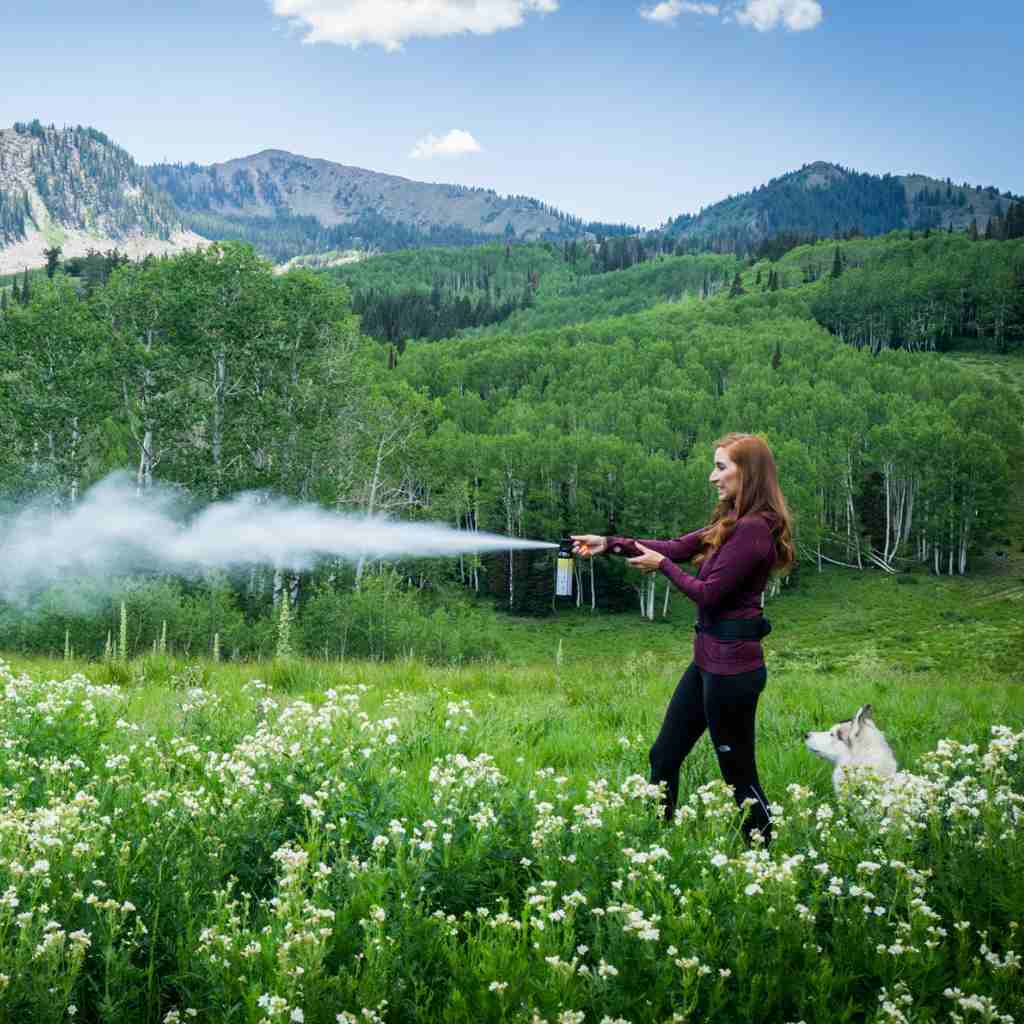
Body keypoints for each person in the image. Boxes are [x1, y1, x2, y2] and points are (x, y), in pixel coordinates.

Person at [572, 432, 794, 845]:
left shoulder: (753, 531)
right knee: (664, 755)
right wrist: (610, 544)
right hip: (708, 662)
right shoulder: (729, 522)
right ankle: (656, 844)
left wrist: (662, 568)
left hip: (733, 672)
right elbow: (676, 547)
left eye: (722, 467)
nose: (713, 476)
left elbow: (707, 593)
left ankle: (766, 856)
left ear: (748, 473)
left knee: (738, 777)